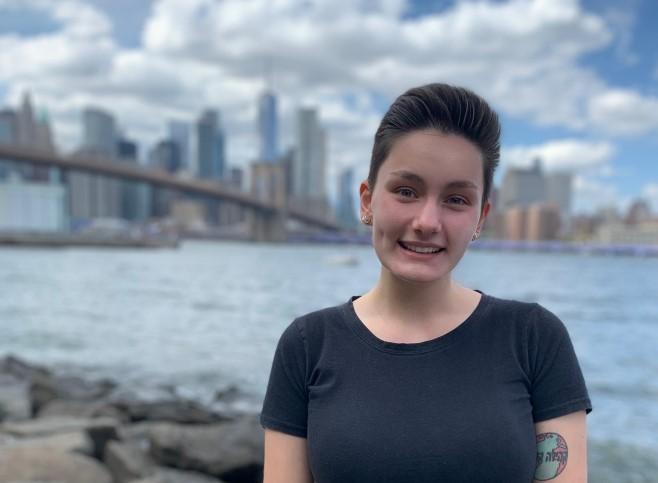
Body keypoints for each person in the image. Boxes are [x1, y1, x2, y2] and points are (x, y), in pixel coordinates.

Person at [260, 83, 592, 483]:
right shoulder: (307, 344)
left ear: (481, 217)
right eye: (406, 191)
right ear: (367, 200)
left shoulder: (535, 338)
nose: (427, 223)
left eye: (456, 200)